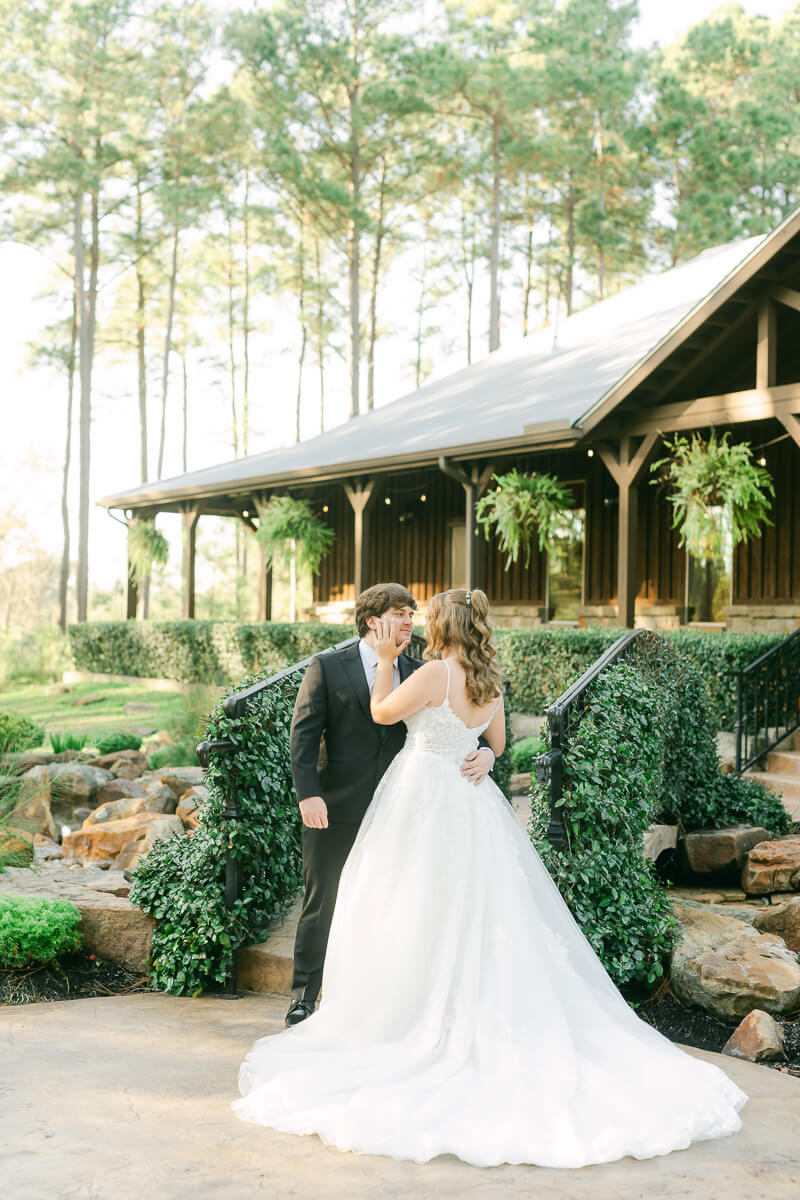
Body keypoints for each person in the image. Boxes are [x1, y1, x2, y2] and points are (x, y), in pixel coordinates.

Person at [233, 588, 747, 1168]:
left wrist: (381, 663)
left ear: (443, 627)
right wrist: (487, 758)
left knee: (407, 907)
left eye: (426, 620)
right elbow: (496, 745)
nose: (418, 628)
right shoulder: (490, 680)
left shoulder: (431, 674)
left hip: (422, 799)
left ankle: (407, 1020)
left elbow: (381, 712)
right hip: (470, 803)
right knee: (476, 910)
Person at [284, 582, 495, 1026]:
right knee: (322, 901)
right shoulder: (326, 666)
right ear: (372, 620)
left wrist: (490, 753)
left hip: (404, 813)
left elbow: (465, 727)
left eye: (412, 614)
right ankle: (303, 996)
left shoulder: (426, 670)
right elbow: (302, 738)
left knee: (390, 907)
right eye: (399, 613)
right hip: (336, 808)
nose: (408, 622)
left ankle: (367, 999)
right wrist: (309, 795)